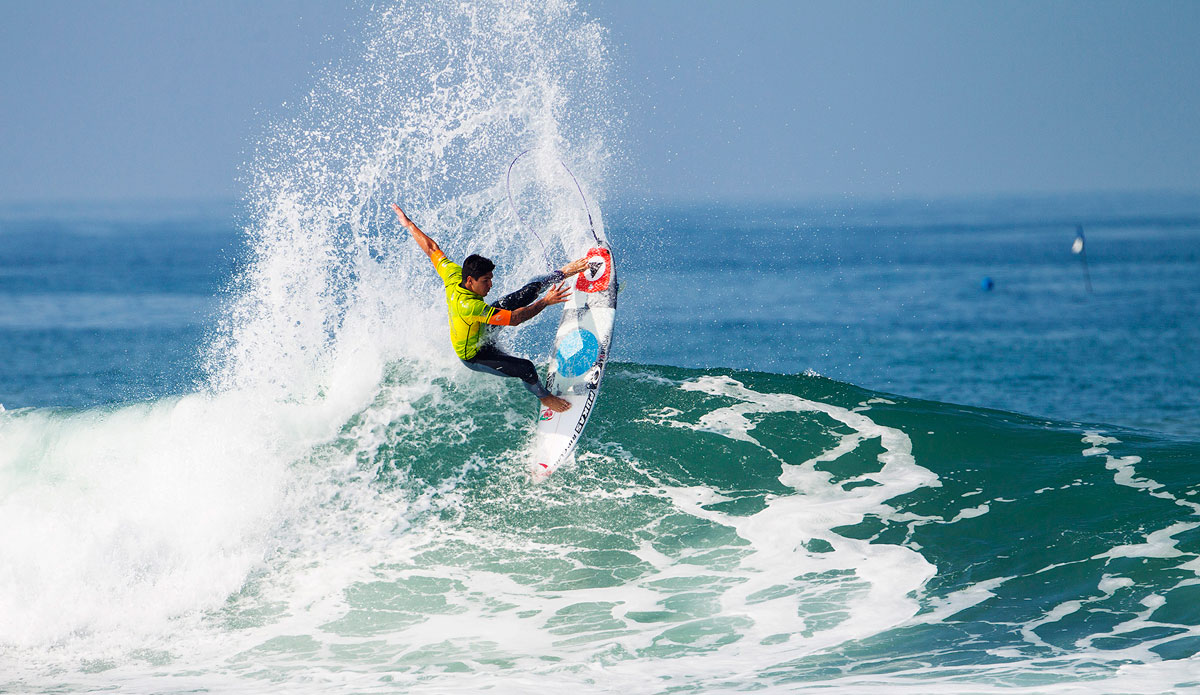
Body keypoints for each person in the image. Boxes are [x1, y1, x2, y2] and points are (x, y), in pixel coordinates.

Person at [391, 203, 588, 413]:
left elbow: (431, 249)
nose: (490, 285)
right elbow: (515, 319)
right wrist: (546, 302)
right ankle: (545, 398)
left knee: (527, 292)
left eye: (490, 279)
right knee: (526, 369)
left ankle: (563, 272)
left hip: (482, 328)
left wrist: (408, 224)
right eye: (485, 280)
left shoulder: (453, 274)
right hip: (476, 355)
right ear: (470, 281)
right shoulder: (470, 306)